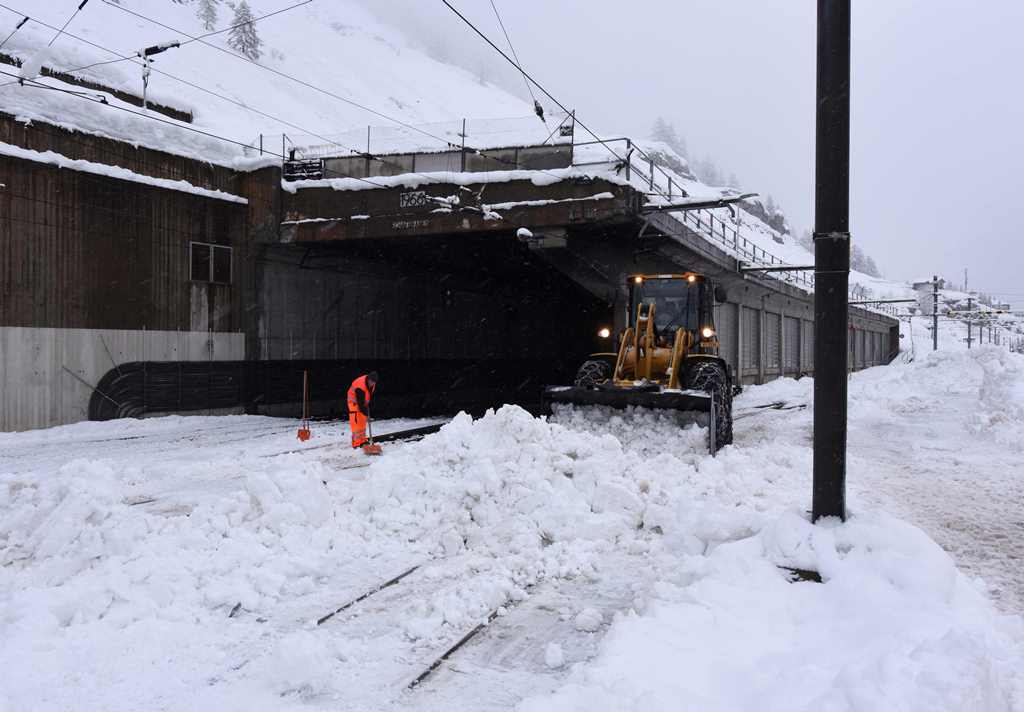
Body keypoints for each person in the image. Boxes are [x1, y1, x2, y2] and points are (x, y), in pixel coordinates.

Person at [346, 371, 378, 449]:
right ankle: (356, 443)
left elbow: (368, 396)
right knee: (356, 423)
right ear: (368, 379)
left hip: (362, 402)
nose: (372, 384)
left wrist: (367, 407)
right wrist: (366, 414)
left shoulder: (373, 384)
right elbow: (360, 403)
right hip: (353, 403)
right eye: (371, 382)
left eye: (374, 382)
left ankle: (363, 440)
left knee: (362, 422)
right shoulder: (360, 385)